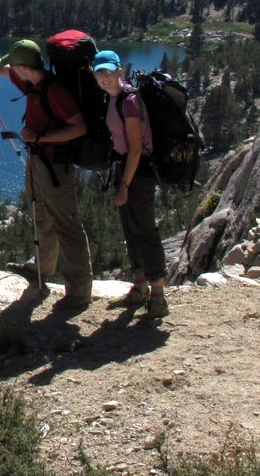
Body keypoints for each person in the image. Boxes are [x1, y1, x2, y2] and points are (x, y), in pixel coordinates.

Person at [0, 40, 93, 310]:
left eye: (14, 64)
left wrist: (42, 137)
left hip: (55, 166)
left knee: (66, 224)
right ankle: (40, 270)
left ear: (22, 66)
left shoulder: (53, 90)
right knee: (40, 213)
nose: (11, 68)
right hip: (38, 161)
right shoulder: (32, 83)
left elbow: (79, 127)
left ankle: (79, 293)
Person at [92, 49, 169, 319]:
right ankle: (139, 289)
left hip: (139, 172)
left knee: (145, 229)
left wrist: (124, 185)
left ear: (120, 71)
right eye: (99, 72)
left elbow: (136, 148)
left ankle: (158, 298)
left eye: (109, 71)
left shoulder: (129, 102)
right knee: (130, 227)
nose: (104, 77)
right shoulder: (113, 98)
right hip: (126, 168)